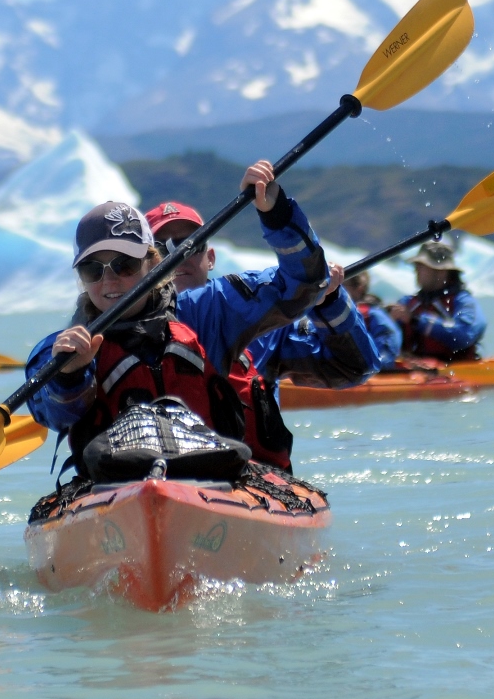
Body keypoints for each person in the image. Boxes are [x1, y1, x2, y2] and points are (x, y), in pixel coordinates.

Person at [25, 160, 328, 476]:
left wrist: (276, 213)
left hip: (218, 478)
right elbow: (52, 414)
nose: (109, 280)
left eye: (125, 265)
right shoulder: (62, 350)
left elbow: (304, 282)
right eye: (93, 269)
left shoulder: (208, 311)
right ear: (82, 278)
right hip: (118, 488)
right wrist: (70, 375)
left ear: (152, 263)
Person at [146, 200, 379, 469]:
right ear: (145, 263)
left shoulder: (266, 325)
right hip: (160, 470)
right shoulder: (129, 326)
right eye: (163, 248)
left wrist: (329, 301)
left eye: (189, 245)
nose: (178, 257)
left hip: (250, 476)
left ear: (210, 258)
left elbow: (354, 366)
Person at [387, 241, 485, 361]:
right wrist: (388, 319)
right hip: (414, 372)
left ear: (440, 271)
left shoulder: (464, 301)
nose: (416, 271)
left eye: (421, 266)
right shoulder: (408, 303)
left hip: (453, 372)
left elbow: (465, 335)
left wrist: (416, 320)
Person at [343, 271, 404, 371]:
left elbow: (386, 355)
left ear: (359, 289)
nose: (336, 290)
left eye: (342, 286)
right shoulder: (328, 314)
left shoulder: (375, 316)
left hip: (366, 374)